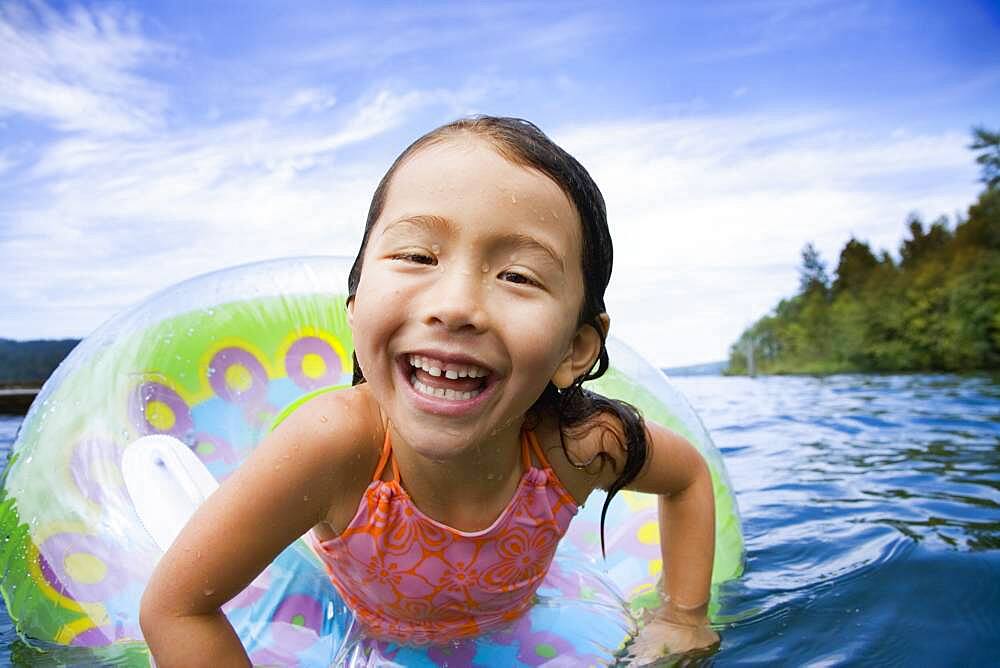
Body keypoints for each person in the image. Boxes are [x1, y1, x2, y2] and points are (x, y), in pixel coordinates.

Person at [140, 115, 719, 665]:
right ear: (356, 304)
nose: (456, 306)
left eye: (517, 275)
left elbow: (689, 477)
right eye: (418, 256)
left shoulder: (580, 445)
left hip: (520, 622)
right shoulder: (330, 447)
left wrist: (683, 615)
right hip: (343, 613)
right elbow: (175, 609)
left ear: (575, 350)